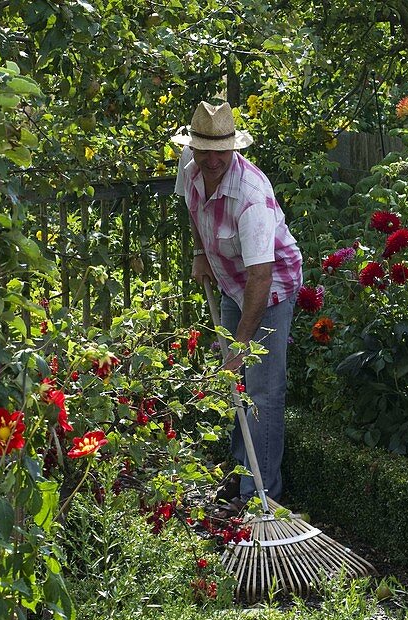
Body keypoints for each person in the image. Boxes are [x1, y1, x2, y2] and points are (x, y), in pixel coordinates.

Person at [172, 100, 302, 503]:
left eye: (220, 151)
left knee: (262, 391)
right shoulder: (189, 166)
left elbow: (261, 278)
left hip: (271, 288)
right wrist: (199, 253)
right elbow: (192, 209)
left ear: (234, 148)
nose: (211, 159)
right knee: (235, 385)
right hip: (231, 282)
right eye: (204, 149)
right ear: (193, 147)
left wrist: (241, 348)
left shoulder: (251, 197)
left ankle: (261, 497)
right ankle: (240, 474)